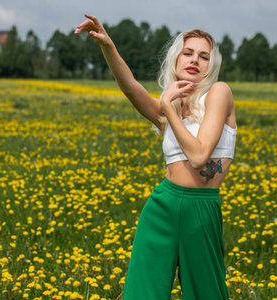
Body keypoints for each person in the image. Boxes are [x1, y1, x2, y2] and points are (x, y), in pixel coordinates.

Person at [75, 14, 236, 300]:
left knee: (207, 293)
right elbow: (130, 88)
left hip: (201, 208)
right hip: (162, 205)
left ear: (212, 65)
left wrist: (167, 108)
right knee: (142, 292)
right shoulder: (169, 109)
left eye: (203, 56)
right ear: (175, 59)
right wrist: (108, 45)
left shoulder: (218, 93)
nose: (194, 60)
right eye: (187, 53)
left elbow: (199, 156)